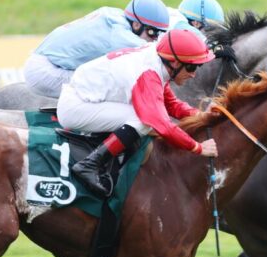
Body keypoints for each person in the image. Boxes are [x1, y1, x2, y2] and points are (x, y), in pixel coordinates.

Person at [56, 29, 218, 197]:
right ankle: (90, 165)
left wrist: (201, 116)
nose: (193, 74)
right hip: (76, 107)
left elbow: (171, 104)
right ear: (175, 63)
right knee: (144, 120)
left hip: (88, 98)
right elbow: (162, 125)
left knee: (143, 117)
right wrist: (198, 147)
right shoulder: (148, 73)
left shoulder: (158, 60)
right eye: (191, 67)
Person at [24, 0, 170, 98]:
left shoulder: (115, 16)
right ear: (137, 25)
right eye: (152, 33)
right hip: (45, 72)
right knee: (113, 91)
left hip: (47, 64)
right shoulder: (118, 36)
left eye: (159, 34)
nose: (154, 39)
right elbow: (155, 52)